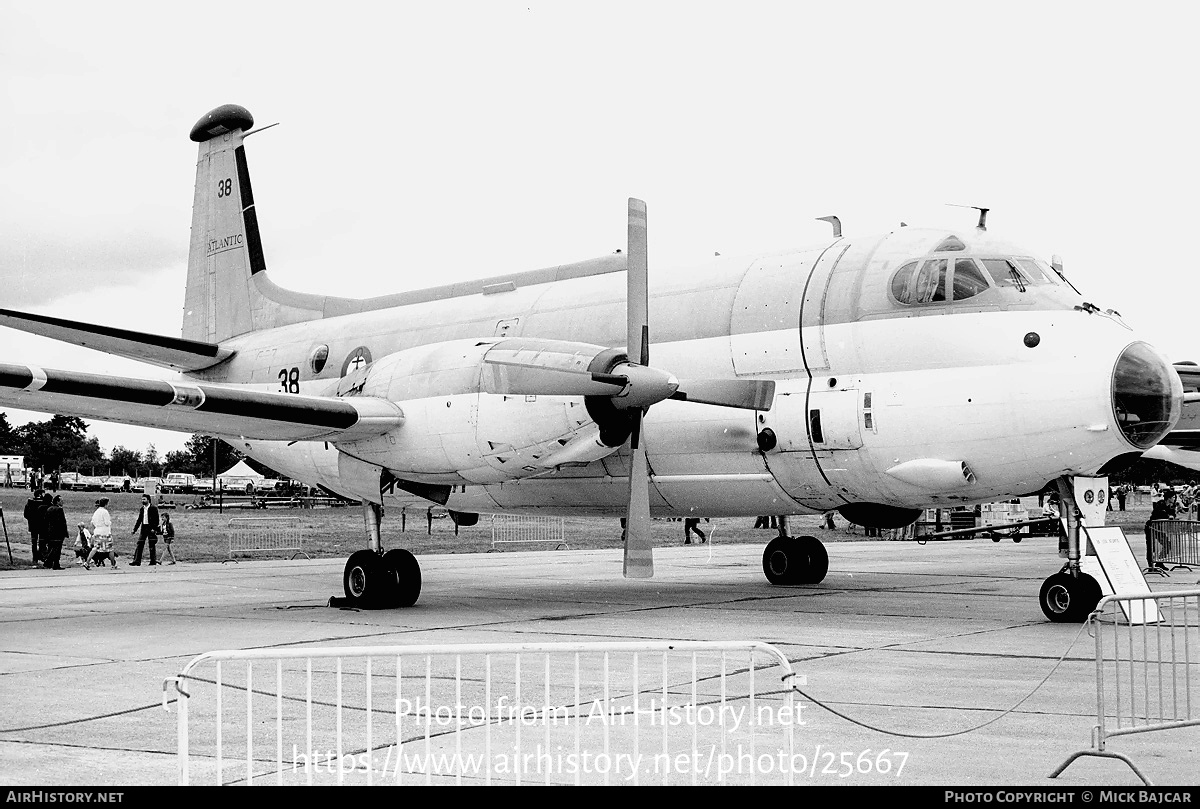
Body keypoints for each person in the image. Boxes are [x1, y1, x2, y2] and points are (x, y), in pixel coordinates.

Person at [1144, 490, 1178, 570]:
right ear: (1168, 498)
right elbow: (1157, 513)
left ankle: (1159, 562)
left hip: (1158, 528)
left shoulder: (1171, 506)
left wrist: (1172, 514)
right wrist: (1167, 515)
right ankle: (1150, 565)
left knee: (1167, 544)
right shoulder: (1160, 503)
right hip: (1151, 527)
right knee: (1151, 546)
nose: (1174, 499)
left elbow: (1173, 515)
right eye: (1173, 497)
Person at [85, 497, 117, 569]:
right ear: (106, 504)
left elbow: (92, 522)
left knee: (95, 548)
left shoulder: (96, 512)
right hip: (105, 532)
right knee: (110, 549)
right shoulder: (105, 512)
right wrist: (110, 522)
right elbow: (107, 522)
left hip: (97, 531)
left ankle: (87, 562)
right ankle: (113, 564)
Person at [130, 494, 161, 565]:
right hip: (144, 527)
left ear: (148, 500)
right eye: (142, 499)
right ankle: (137, 561)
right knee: (140, 543)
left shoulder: (153, 508)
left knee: (151, 544)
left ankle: (153, 561)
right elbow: (139, 520)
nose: (142, 501)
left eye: (144, 499)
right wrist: (134, 530)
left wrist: (154, 528)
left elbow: (156, 520)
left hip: (151, 528)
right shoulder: (142, 509)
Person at [42, 494, 68, 570]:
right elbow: (62, 522)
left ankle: (50, 562)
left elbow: (46, 520)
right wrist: (65, 532)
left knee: (52, 547)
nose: (62, 502)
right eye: (61, 501)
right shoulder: (59, 510)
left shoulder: (49, 509)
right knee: (57, 549)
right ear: (57, 501)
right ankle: (54, 563)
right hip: (58, 532)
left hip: (50, 531)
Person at [23, 489, 44, 566]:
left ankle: (35, 557)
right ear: (40, 495)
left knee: (34, 542)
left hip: (33, 525)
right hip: (42, 525)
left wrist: (31, 520)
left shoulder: (29, 503)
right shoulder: (43, 503)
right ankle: (41, 555)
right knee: (42, 541)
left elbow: (26, 515)